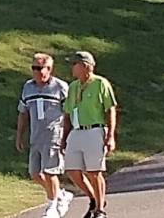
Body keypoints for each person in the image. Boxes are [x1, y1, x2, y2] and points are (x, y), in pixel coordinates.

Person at [61, 51, 118, 218]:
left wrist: (110, 135)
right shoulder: (73, 86)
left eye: (74, 64)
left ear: (85, 66)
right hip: (77, 131)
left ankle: (100, 209)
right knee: (72, 170)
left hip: (94, 130)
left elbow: (110, 109)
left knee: (94, 171)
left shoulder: (101, 83)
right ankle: (94, 197)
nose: (72, 68)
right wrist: (64, 137)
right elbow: (67, 114)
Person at [16, 52, 73, 218]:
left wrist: (67, 136)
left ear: (50, 69)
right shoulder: (28, 87)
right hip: (36, 136)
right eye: (34, 68)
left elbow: (69, 113)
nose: (37, 72)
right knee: (35, 173)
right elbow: (23, 112)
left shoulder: (60, 87)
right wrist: (20, 135)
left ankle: (52, 207)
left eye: (40, 68)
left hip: (54, 135)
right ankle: (61, 195)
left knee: (50, 172)